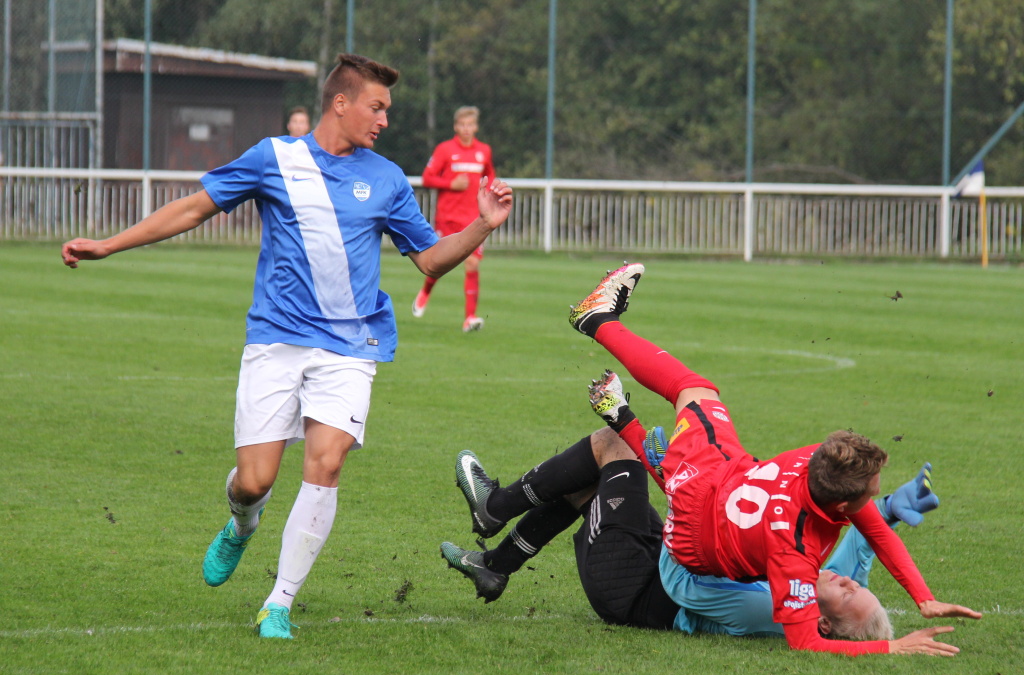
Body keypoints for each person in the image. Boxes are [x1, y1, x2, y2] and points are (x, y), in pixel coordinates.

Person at [60, 53, 513, 639]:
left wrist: (482, 225)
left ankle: (278, 603)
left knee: (326, 464)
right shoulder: (274, 157)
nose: (384, 120)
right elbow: (195, 208)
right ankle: (242, 524)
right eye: (376, 107)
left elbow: (429, 258)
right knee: (254, 481)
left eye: (387, 110)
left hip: (351, 345)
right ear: (340, 103)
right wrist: (108, 245)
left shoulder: (387, 178)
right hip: (275, 339)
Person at [561, 263, 982, 655]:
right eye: (872, 491)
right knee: (692, 428)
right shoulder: (796, 548)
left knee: (692, 390)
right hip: (703, 519)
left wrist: (911, 615)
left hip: (705, 516)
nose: (874, 495)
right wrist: (908, 622)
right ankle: (646, 438)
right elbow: (855, 556)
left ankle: (600, 329)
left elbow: (860, 544)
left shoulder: (812, 463)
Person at [441, 433, 941, 643]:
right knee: (596, 479)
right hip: (657, 560)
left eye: (848, 593)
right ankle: (495, 566)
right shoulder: (823, 588)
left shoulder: (769, 610)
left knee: (615, 446)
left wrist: (677, 481)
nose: (847, 581)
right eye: (857, 585)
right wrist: (889, 510)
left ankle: (494, 508)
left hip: (634, 588)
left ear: (823, 623)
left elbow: (688, 583)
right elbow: (857, 555)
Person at [412, 106, 496, 332]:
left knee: (472, 263)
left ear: (476, 127)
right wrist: (451, 184)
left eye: (470, 125)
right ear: (456, 127)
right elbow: (427, 178)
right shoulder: (445, 149)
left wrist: (490, 192)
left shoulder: (484, 151)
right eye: (462, 125)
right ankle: (425, 292)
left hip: (473, 219)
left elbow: (489, 175)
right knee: (440, 264)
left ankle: (470, 318)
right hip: (447, 218)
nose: (466, 129)